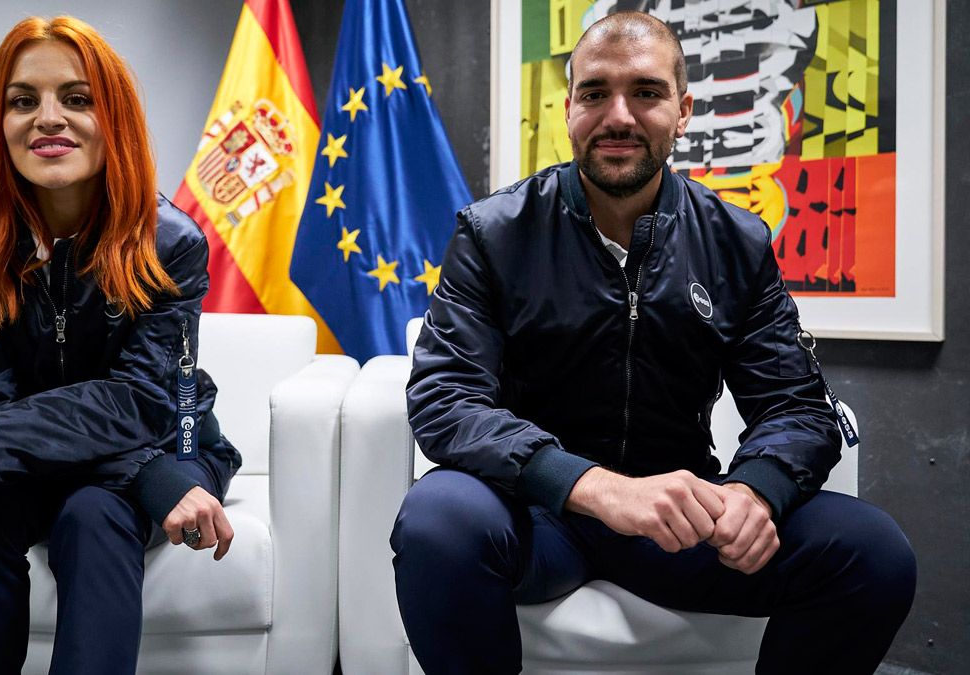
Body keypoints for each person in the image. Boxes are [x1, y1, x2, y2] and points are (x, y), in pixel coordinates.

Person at [392, 12, 915, 675]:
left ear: (683, 108)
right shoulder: (493, 233)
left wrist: (756, 491)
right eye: (595, 93)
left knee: (874, 549)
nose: (618, 115)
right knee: (437, 516)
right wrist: (590, 485)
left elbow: (798, 408)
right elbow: (446, 398)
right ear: (569, 106)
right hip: (541, 514)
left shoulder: (737, 242)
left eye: (645, 92)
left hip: (682, 519)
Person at [0, 16, 241, 674]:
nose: (47, 118)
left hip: (171, 437)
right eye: (23, 100)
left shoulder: (173, 244)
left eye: (77, 99)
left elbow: (140, 402)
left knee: (92, 515)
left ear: (115, 119)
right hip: (34, 455)